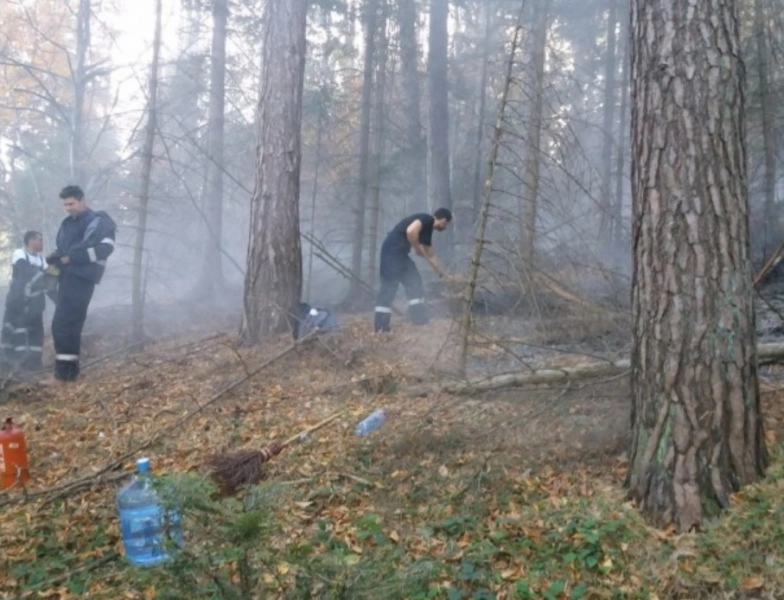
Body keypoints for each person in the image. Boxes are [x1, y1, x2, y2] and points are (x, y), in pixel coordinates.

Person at [46, 185, 116, 384]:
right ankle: (68, 373)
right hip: (67, 277)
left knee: (63, 324)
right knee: (66, 324)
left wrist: (72, 258)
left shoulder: (98, 221)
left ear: (82, 200)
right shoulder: (67, 224)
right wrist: (55, 259)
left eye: (72, 204)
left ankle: (64, 376)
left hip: (81, 278)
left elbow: (105, 249)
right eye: (65, 205)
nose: (68, 208)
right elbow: (62, 250)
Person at [374, 208, 453, 332]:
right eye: (446, 224)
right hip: (391, 252)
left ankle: (418, 319)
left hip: (400, 255)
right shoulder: (427, 219)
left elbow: (431, 255)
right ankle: (381, 327)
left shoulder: (427, 230)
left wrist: (442, 274)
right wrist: (416, 248)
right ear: (443, 220)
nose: (446, 227)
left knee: (414, 281)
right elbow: (411, 231)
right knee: (389, 287)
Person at [1, 231, 47, 372]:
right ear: (30, 240)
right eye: (39, 239)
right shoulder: (19, 254)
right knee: (14, 330)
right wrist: (45, 275)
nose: (42, 242)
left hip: (35, 305)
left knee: (36, 332)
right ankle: (9, 363)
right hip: (17, 302)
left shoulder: (42, 260)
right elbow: (25, 270)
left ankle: (34, 364)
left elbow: (49, 280)